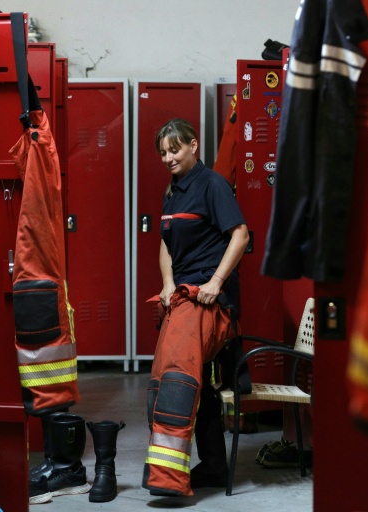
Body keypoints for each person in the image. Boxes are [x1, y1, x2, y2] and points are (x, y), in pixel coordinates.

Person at [142, 118, 250, 497]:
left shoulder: (212, 185)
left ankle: (168, 479)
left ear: (193, 146)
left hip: (208, 300)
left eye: (175, 149)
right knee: (172, 381)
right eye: (163, 153)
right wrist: (168, 284)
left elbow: (241, 234)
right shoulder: (173, 192)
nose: (168, 157)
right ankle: (214, 467)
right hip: (182, 296)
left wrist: (216, 282)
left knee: (177, 382)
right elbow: (165, 244)